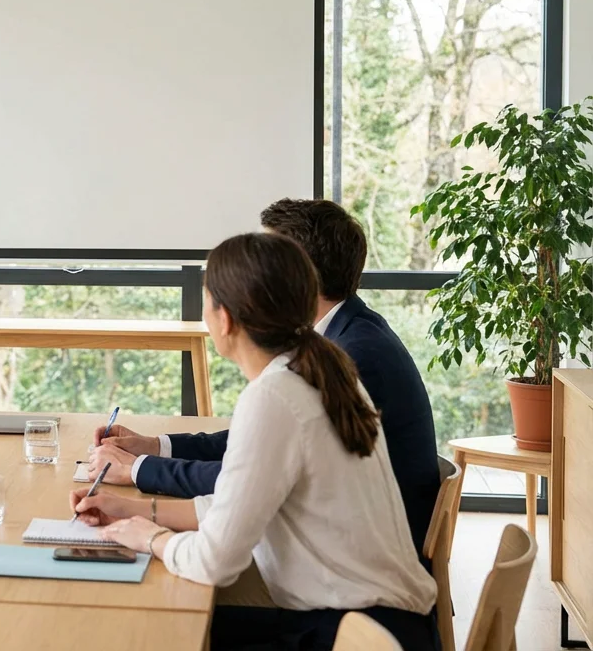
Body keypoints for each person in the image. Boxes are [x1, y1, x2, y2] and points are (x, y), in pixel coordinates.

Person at [72, 232, 436, 650]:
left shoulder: (276, 395)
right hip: (382, 623)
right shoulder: (319, 368)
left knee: (151, 632)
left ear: (224, 319)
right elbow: (241, 502)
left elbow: (214, 563)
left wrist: (147, 537)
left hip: (349, 631)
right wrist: (132, 511)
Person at [89, 198, 440, 556]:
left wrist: (140, 472)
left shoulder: (354, 357)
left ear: (296, 273)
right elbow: (254, 452)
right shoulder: (338, 339)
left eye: (268, 259)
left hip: (356, 562)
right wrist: (154, 449)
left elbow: (249, 483)